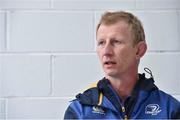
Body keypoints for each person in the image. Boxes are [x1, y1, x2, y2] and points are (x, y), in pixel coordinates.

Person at [64, 11, 180, 119]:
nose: (106, 51)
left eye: (116, 42)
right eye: (101, 43)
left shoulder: (169, 109)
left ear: (139, 50)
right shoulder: (80, 110)